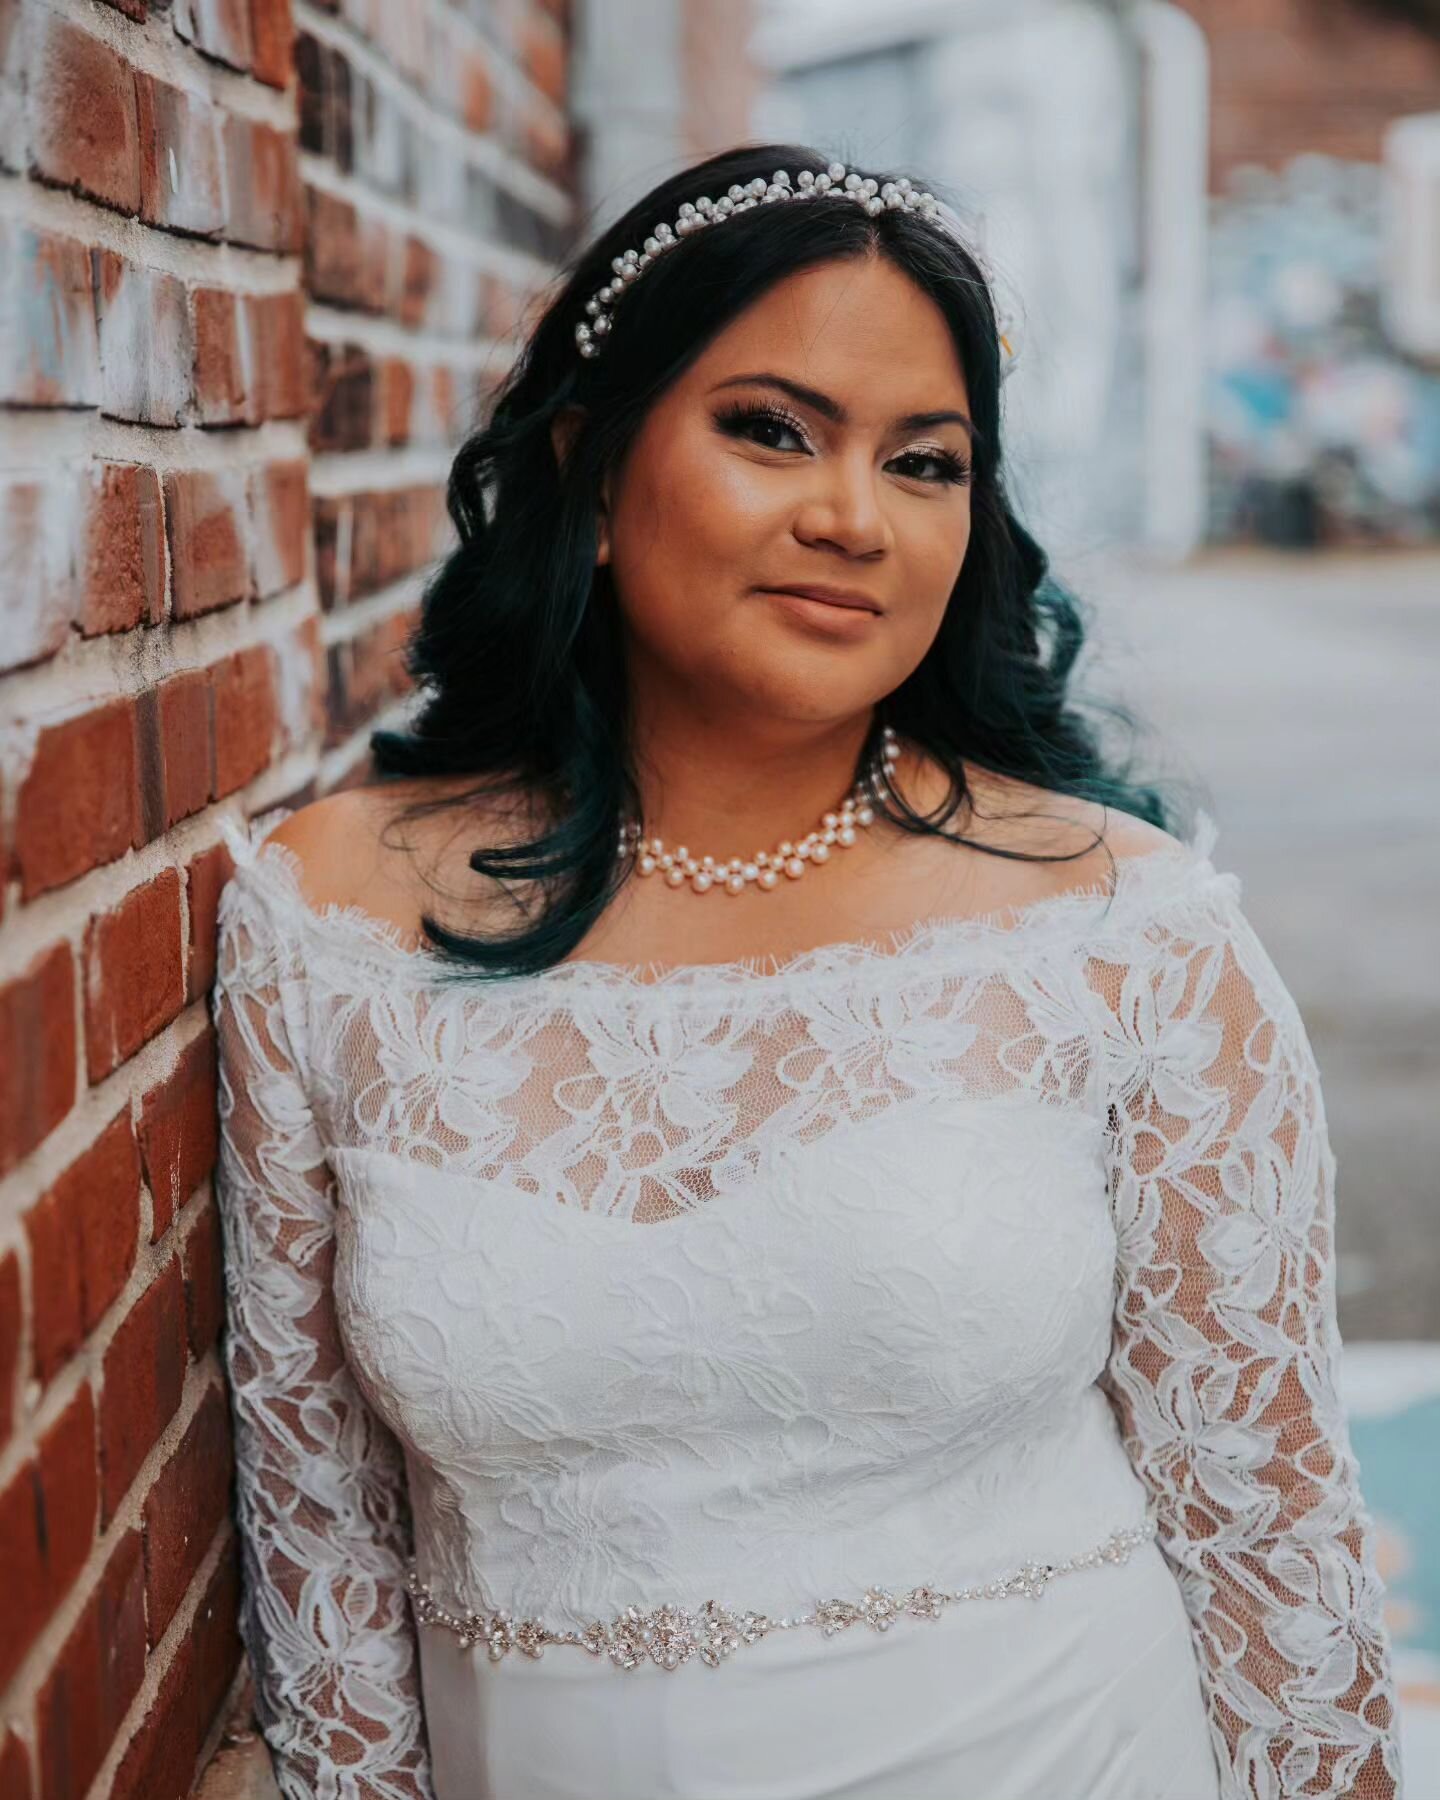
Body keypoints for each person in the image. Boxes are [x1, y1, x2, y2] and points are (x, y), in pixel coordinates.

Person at [210, 144, 1403, 1800]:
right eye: (770, 429)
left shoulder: (1125, 934)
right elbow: (318, 1535)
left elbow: (1267, 1523)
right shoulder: (326, 921)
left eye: (925, 462)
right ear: (592, 463)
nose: (851, 517)